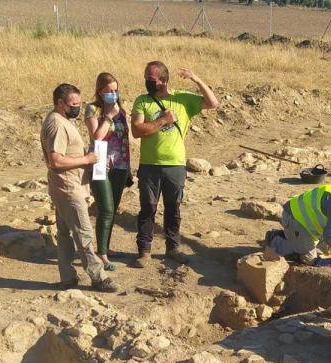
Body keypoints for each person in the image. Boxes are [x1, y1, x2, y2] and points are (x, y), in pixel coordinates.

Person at [130, 61, 219, 267]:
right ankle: (144, 251)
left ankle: (173, 248)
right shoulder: (142, 101)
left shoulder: (182, 99)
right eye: (146, 79)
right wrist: (162, 121)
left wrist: (196, 79)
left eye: (151, 79)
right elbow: (136, 131)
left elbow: (213, 103)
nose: (147, 83)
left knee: (173, 208)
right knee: (147, 209)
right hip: (149, 164)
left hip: (175, 165)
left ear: (163, 80)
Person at [40, 83, 119, 293]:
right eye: (73, 104)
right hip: (68, 188)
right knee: (83, 234)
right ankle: (98, 277)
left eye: (79, 103)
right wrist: (87, 159)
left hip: (65, 186)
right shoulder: (57, 124)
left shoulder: (59, 120)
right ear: (60, 103)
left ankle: (67, 278)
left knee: (65, 235)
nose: (77, 107)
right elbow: (55, 160)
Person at [84, 72, 131, 271]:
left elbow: (125, 139)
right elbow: (97, 136)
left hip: (119, 163)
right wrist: (109, 116)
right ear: (100, 91)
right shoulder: (92, 109)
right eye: (108, 91)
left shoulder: (122, 110)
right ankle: (101, 255)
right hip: (100, 161)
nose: (113, 94)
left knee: (114, 209)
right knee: (106, 209)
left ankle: (107, 247)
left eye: (115, 90)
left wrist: (128, 166)